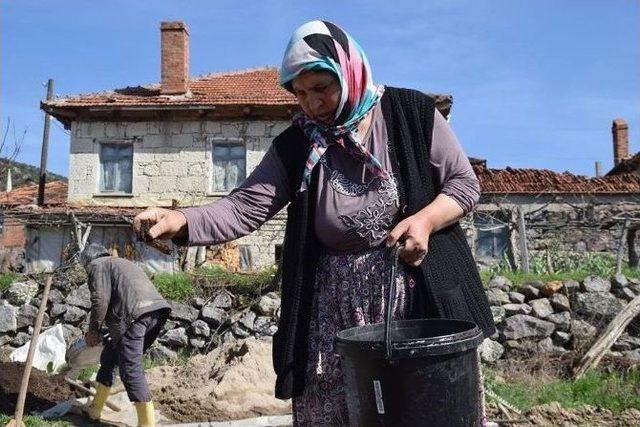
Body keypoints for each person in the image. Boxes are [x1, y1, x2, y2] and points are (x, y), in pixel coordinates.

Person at [133, 20, 496, 426]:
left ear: (350, 71)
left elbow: (464, 184)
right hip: (332, 308)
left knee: (419, 408)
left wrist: (425, 221)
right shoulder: (298, 144)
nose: (312, 104)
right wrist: (179, 219)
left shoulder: (410, 114)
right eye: (300, 93)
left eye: (322, 88)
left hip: (411, 299)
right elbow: (243, 207)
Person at [80, 243, 170, 427]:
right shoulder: (119, 262)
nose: (86, 270)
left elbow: (100, 301)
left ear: (88, 261)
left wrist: (93, 332)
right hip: (155, 311)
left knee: (130, 368)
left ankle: (146, 425)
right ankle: (95, 409)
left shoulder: (98, 265)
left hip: (135, 316)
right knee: (110, 357)